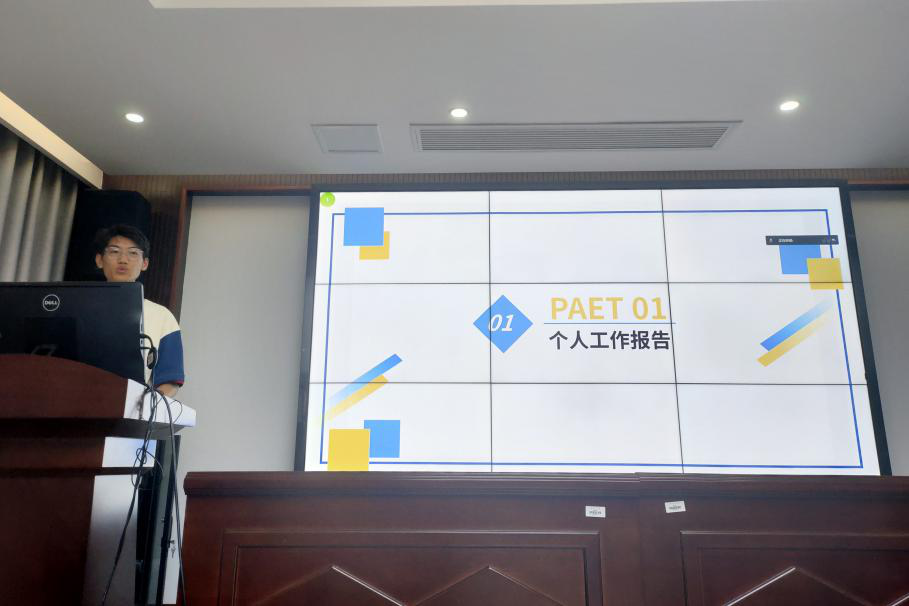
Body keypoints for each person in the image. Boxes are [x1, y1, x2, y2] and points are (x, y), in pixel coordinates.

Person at [94, 224, 184, 397]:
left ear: (145, 263)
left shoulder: (161, 316)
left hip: (133, 407)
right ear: (99, 260)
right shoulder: (77, 305)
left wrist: (145, 407)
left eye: (133, 253)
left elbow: (169, 381)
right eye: (114, 251)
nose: (123, 259)